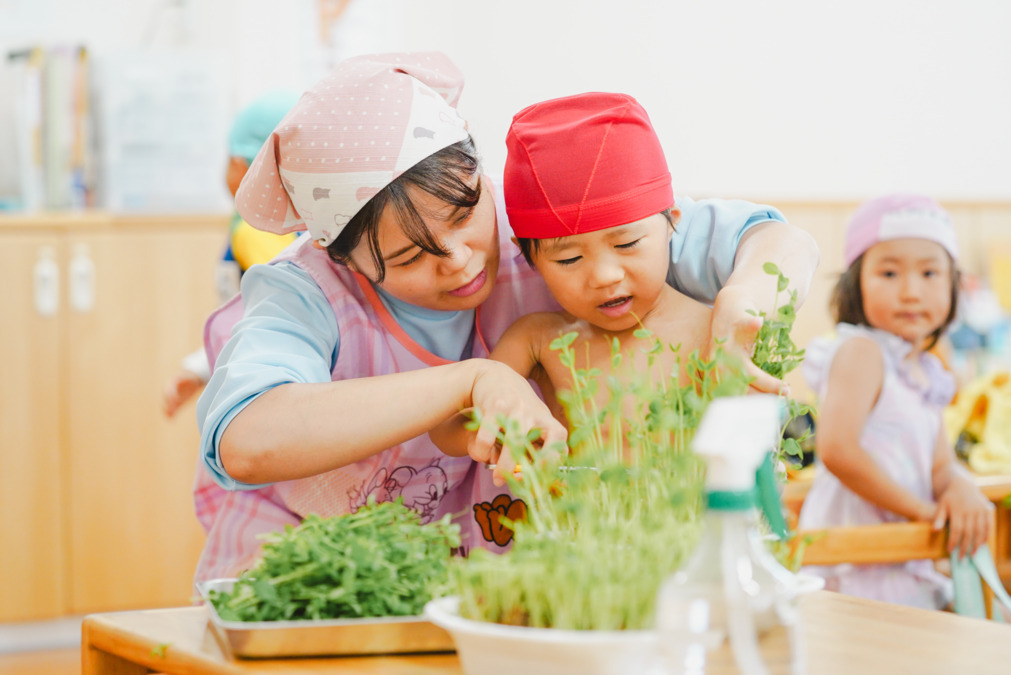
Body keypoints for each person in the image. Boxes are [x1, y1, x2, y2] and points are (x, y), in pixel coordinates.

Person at [193, 51, 820, 583]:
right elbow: (246, 440)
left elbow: (780, 244)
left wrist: (742, 302)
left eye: (467, 215)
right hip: (318, 585)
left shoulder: (552, 226)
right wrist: (471, 381)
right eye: (412, 256)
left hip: (489, 586)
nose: (461, 262)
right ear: (342, 257)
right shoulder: (305, 290)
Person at [431, 92, 718, 458]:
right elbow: (449, 425)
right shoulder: (538, 338)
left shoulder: (712, 328)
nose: (604, 276)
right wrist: (494, 435)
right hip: (573, 514)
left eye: (627, 243)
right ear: (527, 256)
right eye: (568, 259)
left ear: (671, 226)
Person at [798, 193, 994, 610]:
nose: (910, 292)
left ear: (954, 285)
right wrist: (923, 512)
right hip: (856, 560)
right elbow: (838, 450)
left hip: (901, 558)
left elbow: (940, 464)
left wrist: (961, 488)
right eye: (889, 273)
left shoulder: (924, 370)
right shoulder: (862, 352)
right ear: (856, 284)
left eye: (929, 273)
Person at [163, 91, 299, 418]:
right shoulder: (281, 225)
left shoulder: (256, 229)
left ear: (240, 164)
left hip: (259, 388)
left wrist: (199, 367)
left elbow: (273, 311)